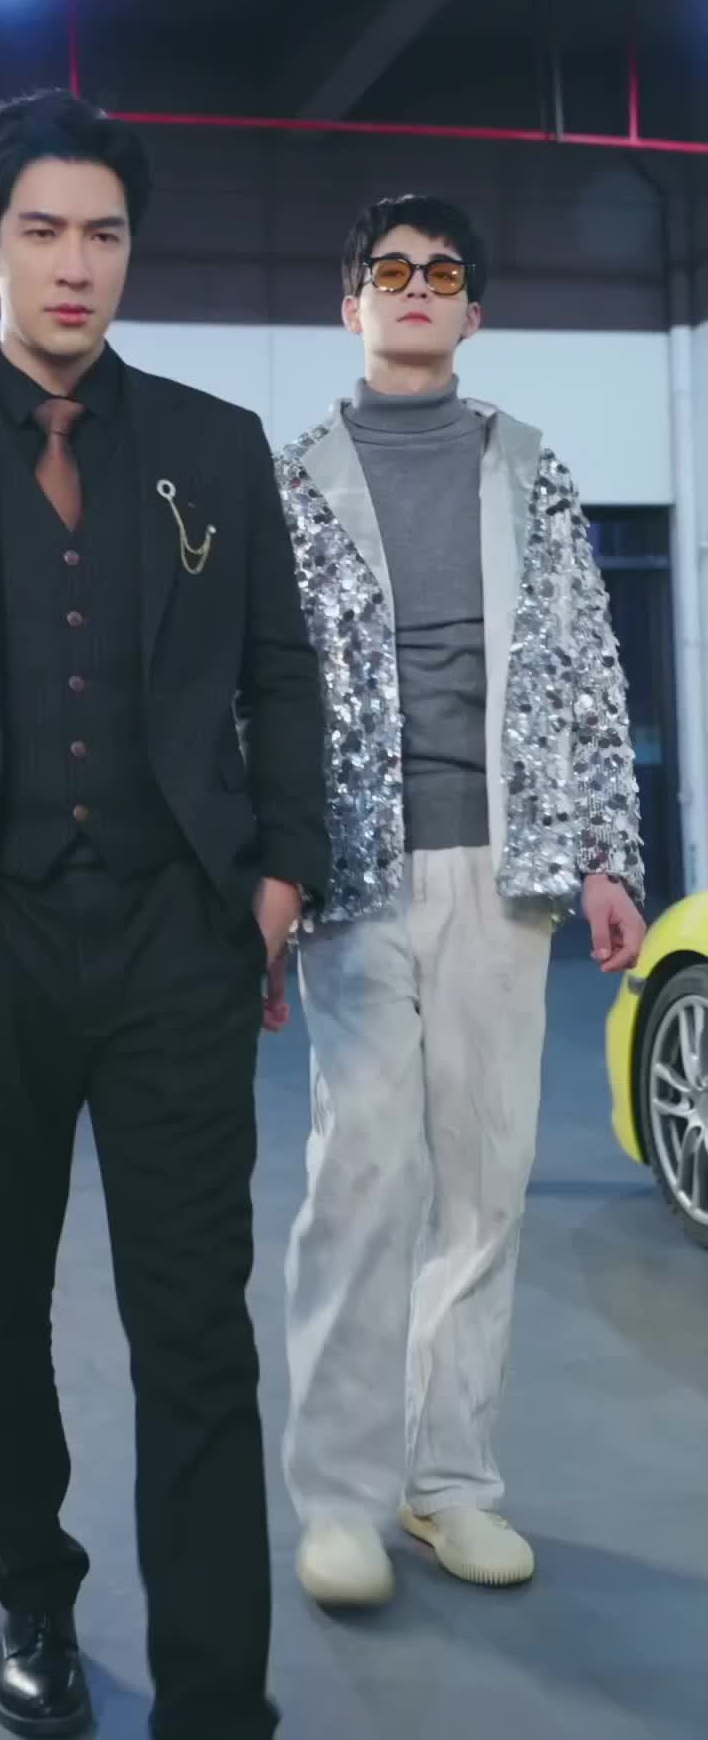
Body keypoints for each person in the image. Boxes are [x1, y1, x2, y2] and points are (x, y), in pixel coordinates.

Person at [0, 89, 328, 1739]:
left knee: (198, 1335)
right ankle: (31, 1591)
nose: (76, 263)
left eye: (104, 232)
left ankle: (217, 1702)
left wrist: (279, 880)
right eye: (42, 229)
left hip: (179, 937)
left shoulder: (215, 446)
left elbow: (280, 675)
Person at [268, 193, 645, 1606]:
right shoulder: (291, 479)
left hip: (510, 868)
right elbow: (260, 688)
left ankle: (450, 1488)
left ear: (474, 311)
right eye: (389, 270)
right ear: (350, 307)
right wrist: (263, 876)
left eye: (442, 272)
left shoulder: (530, 469)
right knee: (360, 1182)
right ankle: (340, 1501)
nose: (415, 287)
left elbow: (588, 665)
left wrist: (608, 855)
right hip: (354, 872)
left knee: (484, 1185)